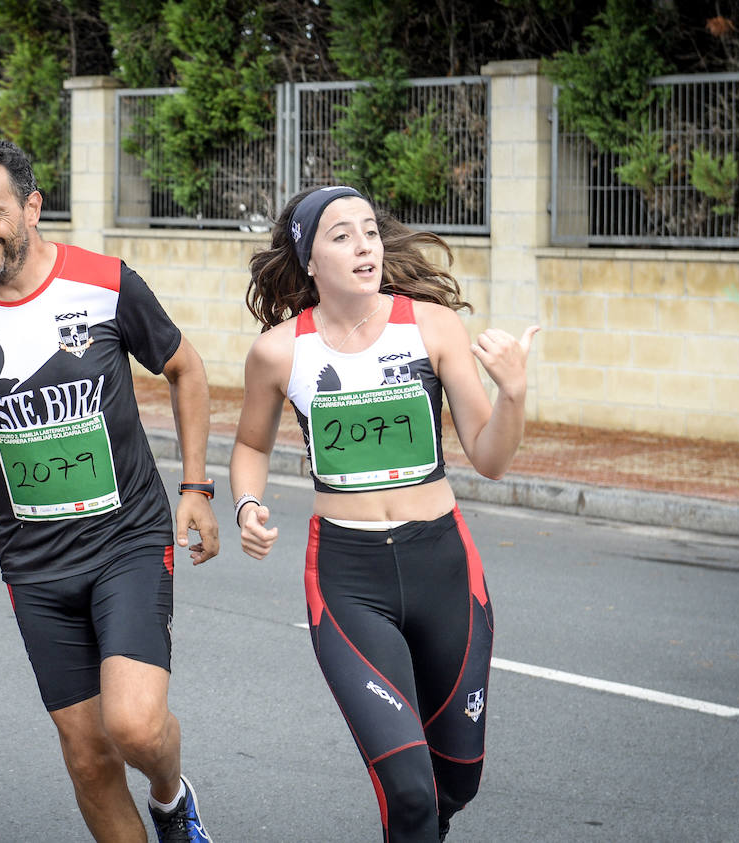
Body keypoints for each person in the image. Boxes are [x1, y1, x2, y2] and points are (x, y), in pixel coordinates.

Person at [0, 139, 220, 843]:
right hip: (36, 564)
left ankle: (173, 802)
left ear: (31, 206)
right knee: (87, 756)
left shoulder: (105, 282)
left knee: (136, 726)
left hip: (127, 541)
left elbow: (186, 367)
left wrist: (197, 486)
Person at [229, 185, 539, 841]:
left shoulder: (430, 325)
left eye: (369, 230)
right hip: (348, 576)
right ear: (309, 260)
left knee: (454, 780)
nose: (363, 244)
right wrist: (247, 502)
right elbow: (251, 445)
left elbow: (490, 456)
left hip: (444, 567)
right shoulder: (280, 351)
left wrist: (513, 393)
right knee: (408, 789)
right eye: (340, 235)